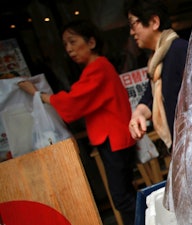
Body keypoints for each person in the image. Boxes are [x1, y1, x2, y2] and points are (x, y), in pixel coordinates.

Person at [18, 20, 137, 225]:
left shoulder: (97, 67)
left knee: (122, 198)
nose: (69, 49)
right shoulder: (99, 67)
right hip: (116, 138)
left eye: (73, 42)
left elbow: (74, 101)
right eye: (65, 44)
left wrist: (39, 95)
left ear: (91, 42)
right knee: (125, 194)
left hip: (113, 139)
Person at [125, 0, 188, 152]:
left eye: (134, 24)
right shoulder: (156, 62)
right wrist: (138, 113)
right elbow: (151, 96)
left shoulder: (180, 49)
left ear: (154, 22)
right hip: (181, 146)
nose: (131, 32)